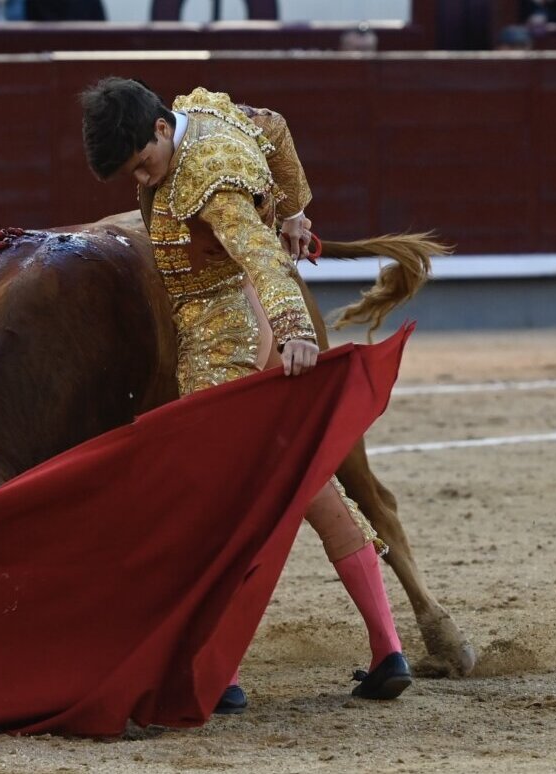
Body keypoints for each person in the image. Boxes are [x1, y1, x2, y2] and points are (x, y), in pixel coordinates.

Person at [80, 78, 412, 713]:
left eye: (144, 166)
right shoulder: (198, 117)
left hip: (226, 338)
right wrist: (294, 207)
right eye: (132, 176)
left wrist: (293, 328)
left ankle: (220, 671)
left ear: (157, 132)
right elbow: (277, 124)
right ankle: (387, 648)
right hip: (242, 311)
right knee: (312, 483)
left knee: (219, 506)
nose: (144, 182)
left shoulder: (209, 174)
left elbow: (259, 256)